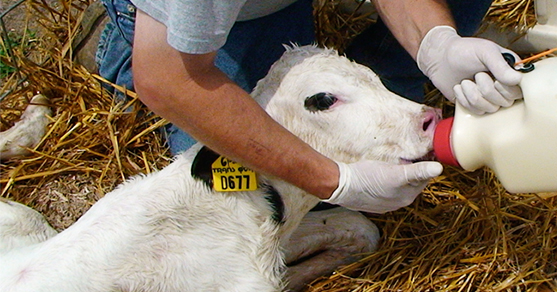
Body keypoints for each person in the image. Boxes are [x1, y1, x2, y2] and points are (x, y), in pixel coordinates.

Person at [95, 0, 523, 214]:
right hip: (211, 24)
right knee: (239, 193)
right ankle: (129, 33)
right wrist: (333, 181)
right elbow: (169, 78)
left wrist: (436, 43)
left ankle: (381, 81)